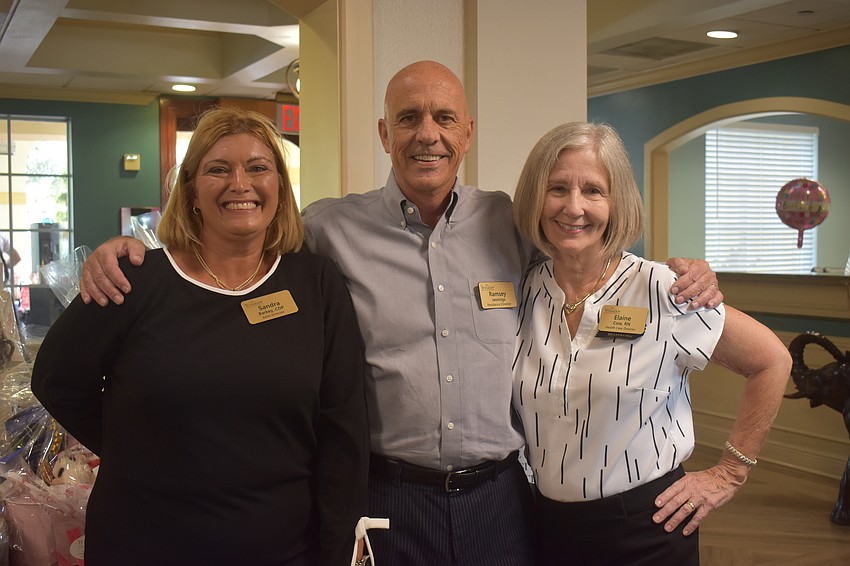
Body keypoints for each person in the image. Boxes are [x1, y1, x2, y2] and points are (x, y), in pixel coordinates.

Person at [77, 62, 722, 565]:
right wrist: (142, 252)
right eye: (408, 118)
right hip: (384, 494)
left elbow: (587, 245)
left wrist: (683, 272)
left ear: (467, 132)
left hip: (500, 495)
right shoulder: (330, 230)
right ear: (385, 134)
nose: (427, 134)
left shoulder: (512, 222)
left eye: (444, 117)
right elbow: (240, 255)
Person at [31, 107, 369, 566]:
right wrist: (140, 448)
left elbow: (342, 428)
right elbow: (55, 378)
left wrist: (338, 550)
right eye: (217, 169)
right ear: (190, 192)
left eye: (257, 168)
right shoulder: (133, 280)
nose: (240, 184)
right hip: (146, 543)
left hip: (285, 549)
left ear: (279, 187)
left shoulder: (315, 283)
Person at [511, 122, 791, 565]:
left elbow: (772, 360)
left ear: (617, 201)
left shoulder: (664, 288)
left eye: (594, 191)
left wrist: (730, 474)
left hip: (646, 528)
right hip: (543, 527)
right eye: (557, 188)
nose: (574, 207)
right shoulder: (524, 288)